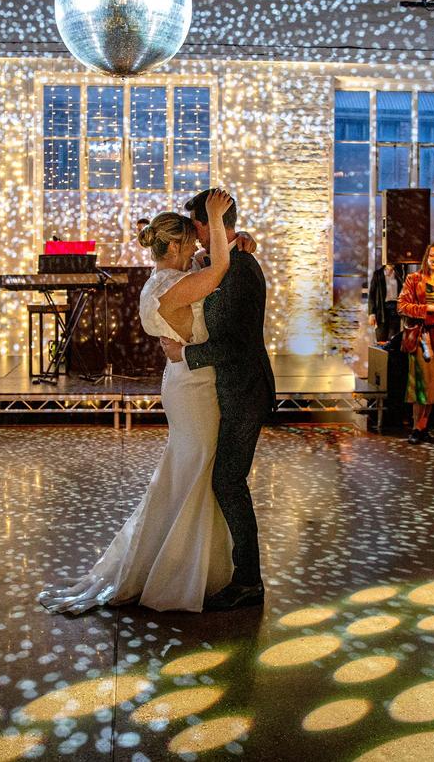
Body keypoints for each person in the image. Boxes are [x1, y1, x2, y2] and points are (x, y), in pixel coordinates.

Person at [40, 192, 235, 613]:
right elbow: (219, 268)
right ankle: (179, 570)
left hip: (184, 381)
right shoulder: (175, 286)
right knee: (197, 470)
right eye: (192, 243)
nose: (199, 247)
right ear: (176, 246)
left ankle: (182, 561)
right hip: (196, 387)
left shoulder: (161, 283)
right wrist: (217, 218)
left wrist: (242, 237)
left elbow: (209, 266)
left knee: (186, 471)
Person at [158, 188, 274, 611]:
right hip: (229, 388)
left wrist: (186, 354)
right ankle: (232, 570)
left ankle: (248, 580)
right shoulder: (224, 261)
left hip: (244, 391)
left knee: (228, 481)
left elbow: (237, 344)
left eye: (198, 226)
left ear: (210, 225)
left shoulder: (240, 267)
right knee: (226, 479)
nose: (194, 235)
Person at [397, 244, 434, 445]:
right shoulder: (413, 279)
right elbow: (402, 306)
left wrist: (426, 316)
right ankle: (417, 427)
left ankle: (423, 427)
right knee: (419, 386)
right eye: (432, 255)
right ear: (426, 257)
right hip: (419, 338)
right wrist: (429, 308)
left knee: (433, 388)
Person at [368, 262, 406, 343]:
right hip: (381, 309)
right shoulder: (378, 274)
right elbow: (372, 294)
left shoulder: (399, 273)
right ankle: (381, 354)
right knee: (381, 338)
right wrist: (371, 313)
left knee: (393, 339)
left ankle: (391, 354)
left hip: (395, 308)